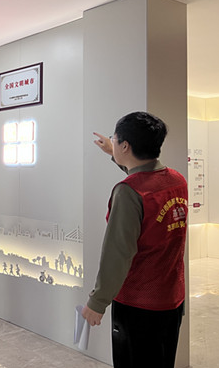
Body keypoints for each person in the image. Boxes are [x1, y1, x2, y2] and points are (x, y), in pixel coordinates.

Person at [82, 111, 188, 368]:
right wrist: (113, 153)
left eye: (115, 138)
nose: (113, 141)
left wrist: (97, 302)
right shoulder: (177, 180)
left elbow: (117, 254)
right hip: (171, 299)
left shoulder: (127, 193)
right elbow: (146, 179)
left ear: (126, 146)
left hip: (138, 305)